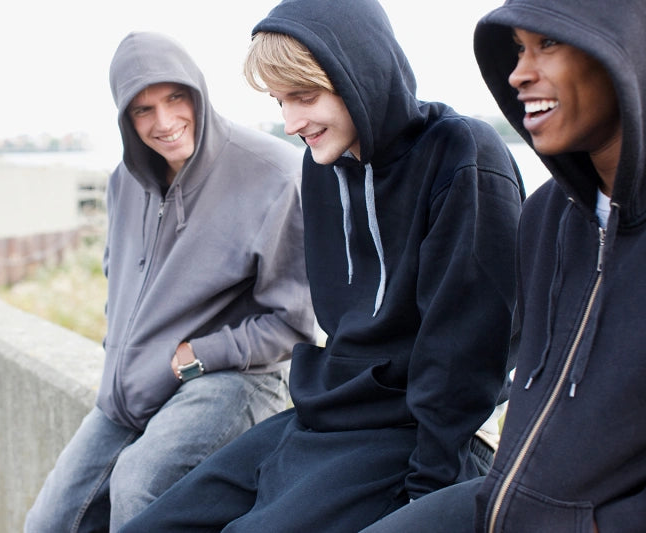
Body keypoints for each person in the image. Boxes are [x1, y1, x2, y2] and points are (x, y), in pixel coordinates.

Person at [119, 0, 525, 531]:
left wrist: (426, 495)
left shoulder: (462, 155)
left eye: (304, 97)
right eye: (280, 101)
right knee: (154, 523)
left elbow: (464, 354)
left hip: (414, 432)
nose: (291, 123)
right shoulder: (323, 165)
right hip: (324, 414)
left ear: (360, 75)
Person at [360, 0, 646, 532]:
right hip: (503, 504)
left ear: (626, 50)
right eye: (517, 49)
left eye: (548, 44)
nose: (518, 73)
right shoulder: (544, 217)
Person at [24, 31, 317, 532]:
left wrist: (194, 354)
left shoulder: (275, 174)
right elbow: (119, 281)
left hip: (235, 377)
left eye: (175, 98)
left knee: (140, 484)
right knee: (49, 522)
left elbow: (294, 324)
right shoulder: (124, 181)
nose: (163, 122)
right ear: (125, 117)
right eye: (143, 109)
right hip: (132, 389)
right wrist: (124, 359)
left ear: (197, 92)